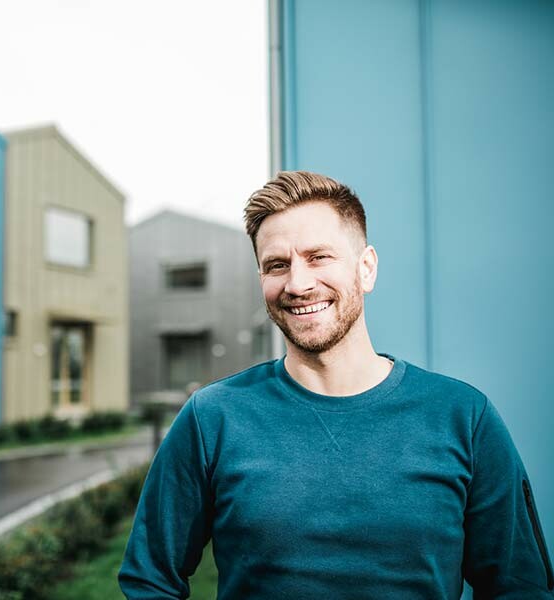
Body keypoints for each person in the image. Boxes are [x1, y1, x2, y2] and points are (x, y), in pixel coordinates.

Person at [118, 171, 554, 599]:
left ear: (366, 269)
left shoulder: (463, 416)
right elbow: (149, 580)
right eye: (276, 265)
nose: (298, 283)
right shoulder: (212, 418)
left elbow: (519, 585)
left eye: (319, 257)